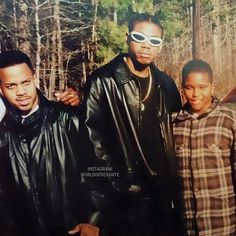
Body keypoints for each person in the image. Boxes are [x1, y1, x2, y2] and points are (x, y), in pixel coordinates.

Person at [77, 13, 183, 236]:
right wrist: (96, 213)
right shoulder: (103, 81)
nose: (147, 46)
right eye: (139, 37)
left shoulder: (166, 84)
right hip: (124, 203)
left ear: (161, 46)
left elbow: (177, 134)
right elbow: (93, 150)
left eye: (154, 41)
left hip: (163, 200)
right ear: (127, 38)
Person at [0, 50, 99, 236]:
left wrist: (92, 220)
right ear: (1, 90)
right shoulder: (2, 132)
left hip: (72, 230)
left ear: (34, 79)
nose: (21, 92)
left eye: (26, 82)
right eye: (11, 86)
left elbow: (97, 170)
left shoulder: (66, 118)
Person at [173, 59, 236, 235]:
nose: (195, 94)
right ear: (182, 88)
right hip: (186, 227)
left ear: (212, 86)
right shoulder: (173, 123)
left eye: (202, 87)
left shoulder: (229, 120)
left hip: (223, 225)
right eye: (189, 87)